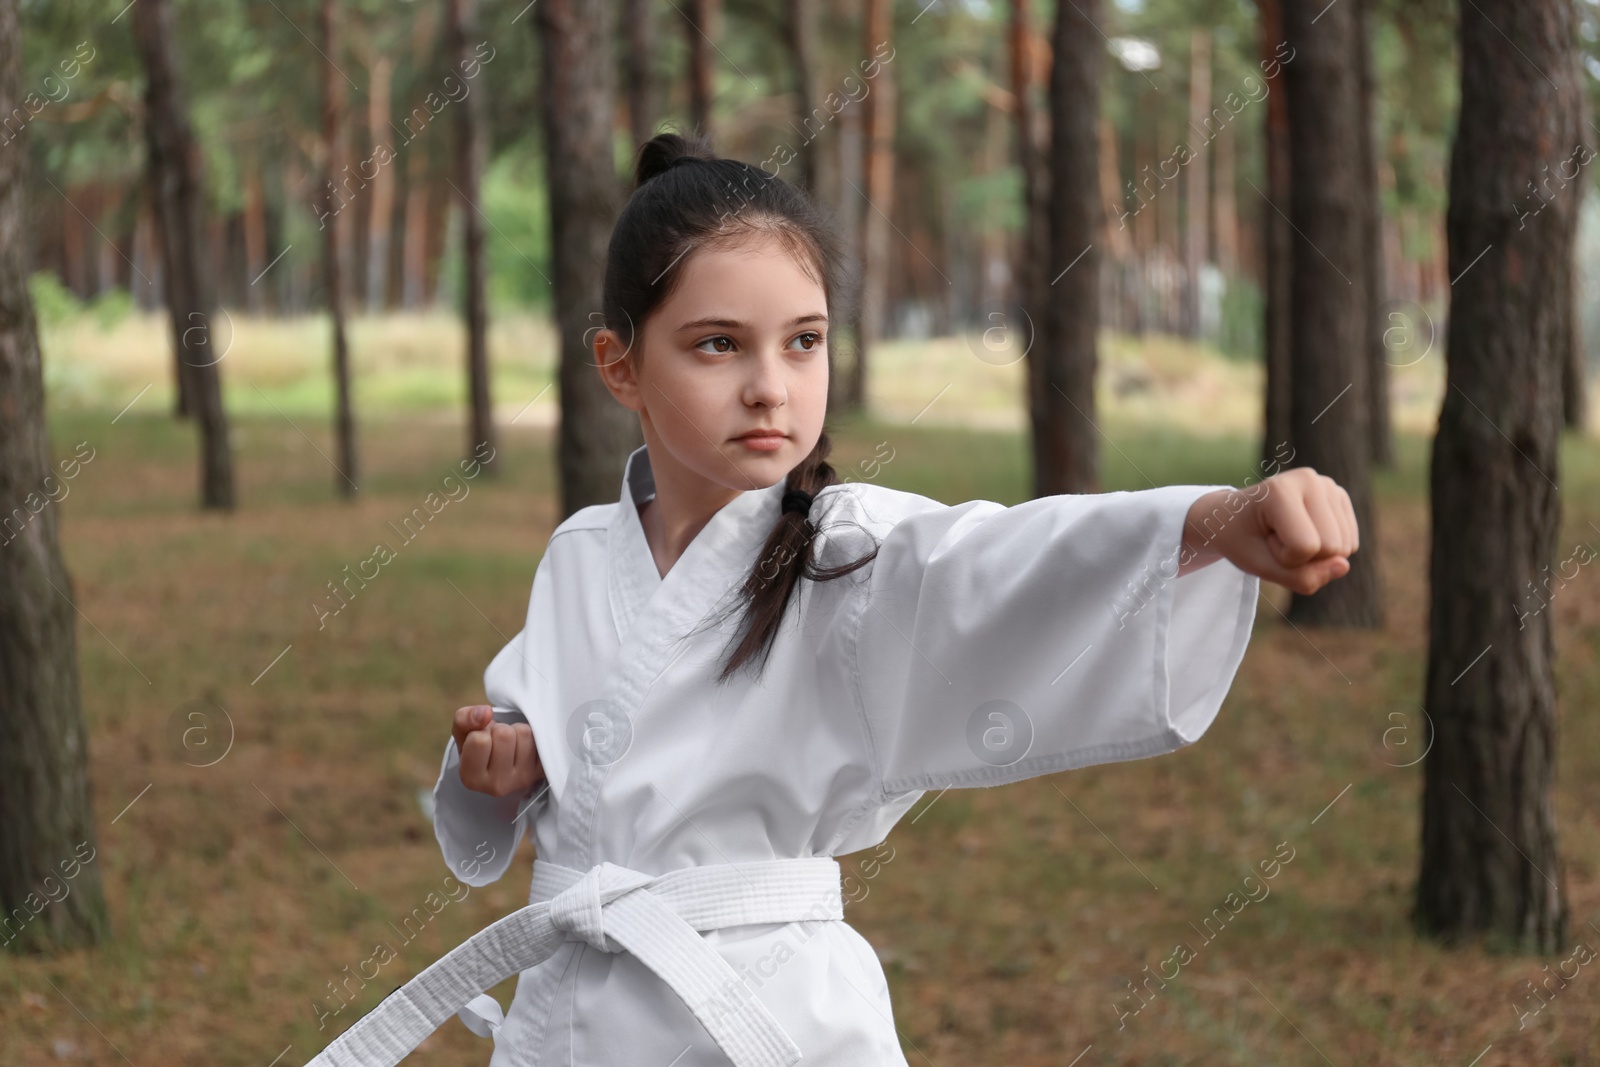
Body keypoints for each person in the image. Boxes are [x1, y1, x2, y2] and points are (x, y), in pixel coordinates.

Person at [306, 130, 1358, 1067]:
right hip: (580, 1009)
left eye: (802, 340)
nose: (771, 383)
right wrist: (512, 762)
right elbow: (572, 747)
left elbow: (998, 560)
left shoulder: (844, 549)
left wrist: (1214, 519)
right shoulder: (583, 552)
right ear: (618, 366)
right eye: (719, 343)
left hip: (761, 1005)